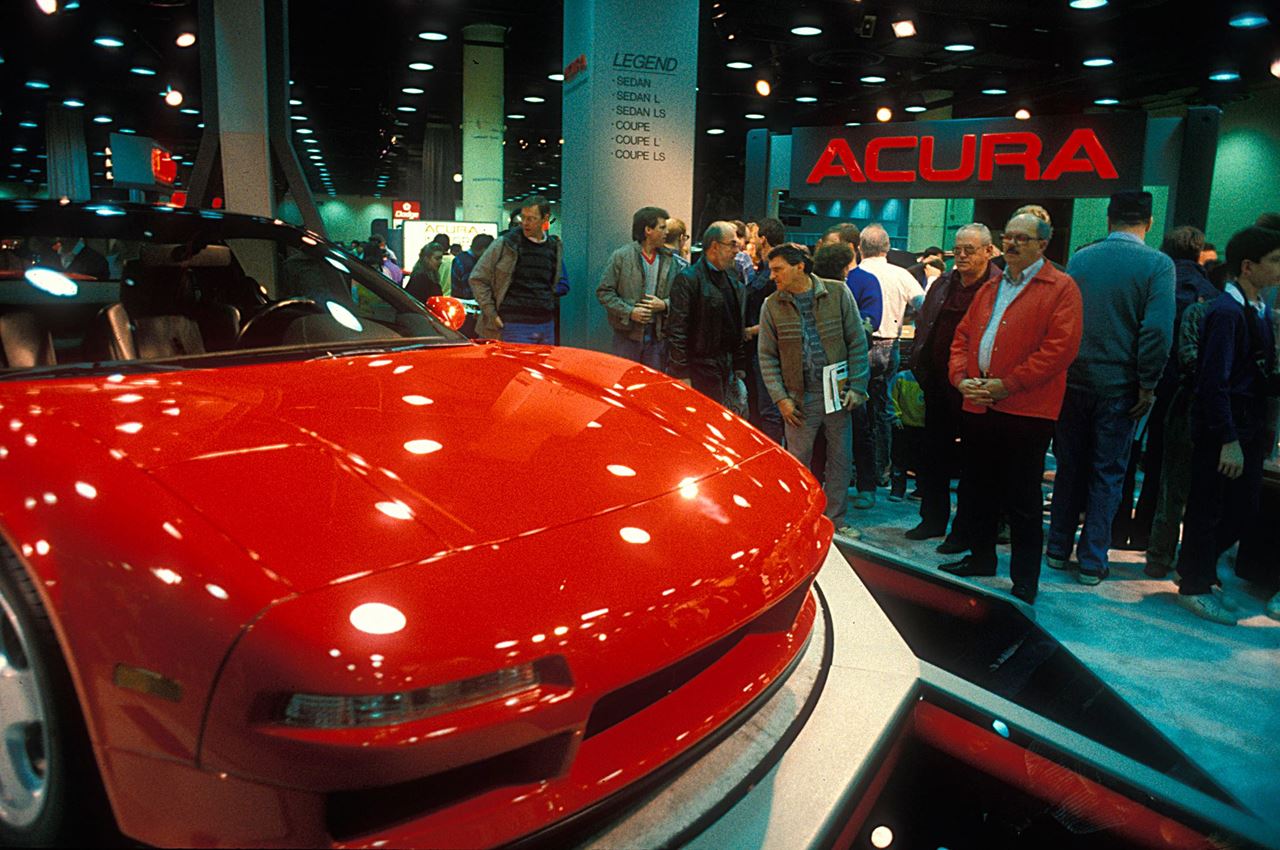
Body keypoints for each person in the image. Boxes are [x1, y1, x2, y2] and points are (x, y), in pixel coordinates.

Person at [942, 213, 1084, 605]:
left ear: (1043, 244)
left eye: (1023, 238)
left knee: (1022, 498)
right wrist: (961, 378)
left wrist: (1008, 384)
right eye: (1008, 236)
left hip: (1026, 410)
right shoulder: (992, 286)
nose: (1013, 244)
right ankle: (981, 557)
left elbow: (1059, 350)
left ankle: (1025, 578)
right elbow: (964, 335)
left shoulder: (1061, 288)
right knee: (978, 488)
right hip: (980, 402)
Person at [1045, 192, 1175, 585]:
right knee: (1108, 474)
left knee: (1069, 466)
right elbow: (1156, 332)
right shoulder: (1157, 265)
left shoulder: (1082, 258)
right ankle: (1092, 561)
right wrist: (1148, 384)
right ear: (1149, 222)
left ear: (1108, 218)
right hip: (1120, 387)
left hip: (1073, 380)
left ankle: (1055, 549)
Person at [1174, 226, 1280, 625]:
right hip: (1226, 429)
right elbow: (1213, 381)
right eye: (1275, 260)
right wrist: (1228, 438)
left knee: (1240, 508)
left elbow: (1254, 372)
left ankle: (1196, 570)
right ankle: (1194, 585)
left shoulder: (1257, 309)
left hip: (1245, 428)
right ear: (1249, 266)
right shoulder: (1226, 312)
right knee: (1211, 507)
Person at [757, 243, 869, 531]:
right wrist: (781, 399)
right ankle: (799, 519)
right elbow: (766, 356)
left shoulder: (837, 293)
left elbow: (856, 341)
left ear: (800, 267)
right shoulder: (771, 305)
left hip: (838, 394)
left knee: (840, 460)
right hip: (798, 398)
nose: (773, 276)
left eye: (778, 269)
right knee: (796, 463)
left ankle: (835, 521)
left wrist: (857, 385)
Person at [905, 223, 1002, 548]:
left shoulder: (1000, 285)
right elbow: (926, 323)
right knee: (934, 456)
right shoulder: (944, 282)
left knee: (975, 464)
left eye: (969, 250)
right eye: (957, 249)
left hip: (976, 387)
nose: (960, 255)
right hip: (937, 382)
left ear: (989, 251)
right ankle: (931, 520)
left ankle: (964, 532)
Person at [1135, 227, 1219, 574]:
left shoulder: (1157, 281)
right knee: (1174, 475)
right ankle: (1159, 546)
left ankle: (1136, 532)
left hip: (1151, 380)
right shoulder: (1210, 294)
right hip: (1185, 392)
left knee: (1143, 463)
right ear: (1199, 252)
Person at [858, 224, 925, 491]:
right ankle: (883, 469)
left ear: (860, 247)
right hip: (890, 344)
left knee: (856, 410)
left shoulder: (855, 273)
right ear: (887, 248)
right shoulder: (902, 275)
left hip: (859, 346)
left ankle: (860, 468)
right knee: (884, 408)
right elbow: (924, 306)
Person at [814, 242, 877, 496]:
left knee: (820, 440)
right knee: (856, 434)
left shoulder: (811, 290)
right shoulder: (842, 291)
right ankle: (865, 487)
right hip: (844, 374)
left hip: (820, 376)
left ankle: (816, 489)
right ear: (843, 268)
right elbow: (861, 335)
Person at [666, 221, 747, 406]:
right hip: (699, 368)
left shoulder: (732, 279)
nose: (737, 250)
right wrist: (681, 373)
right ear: (715, 246)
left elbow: (736, 324)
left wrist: (739, 364)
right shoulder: (688, 279)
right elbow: (677, 330)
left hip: (726, 368)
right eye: (732, 244)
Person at [469, 195, 569, 343]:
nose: (525, 223)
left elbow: (554, 283)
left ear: (545, 218)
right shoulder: (506, 244)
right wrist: (491, 313)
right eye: (523, 218)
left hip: (545, 323)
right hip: (513, 324)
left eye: (531, 218)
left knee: (542, 366)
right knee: (515, 365)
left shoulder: (554, 247)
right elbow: (477, 278)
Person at [596, 206, 679, 370]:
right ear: (648, 230)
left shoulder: (671, 260)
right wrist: (630, 312)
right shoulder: (621, 256)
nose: (666, 233)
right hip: (627, 336)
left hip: (657, 336)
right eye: (662, 228)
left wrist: (664, 305)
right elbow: (604, 292)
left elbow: (681, 297)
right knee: (624, 383)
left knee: (651, 387)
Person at [744, 217, 788, 442]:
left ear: (763, 239)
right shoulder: (762, 268)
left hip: (768, 350)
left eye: (754, 237)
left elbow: (783, 316)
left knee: (769, 410)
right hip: (756, 350)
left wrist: (752, 330)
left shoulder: (775, 271)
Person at [888, 368, 925, 501]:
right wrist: (895, 417)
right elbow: (891, 397)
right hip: (903, 426)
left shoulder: (931, 377)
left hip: (924, 427)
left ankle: (922, 489)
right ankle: (898, 489)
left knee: (923, 460)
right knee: (899, 459)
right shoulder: (901, 377)